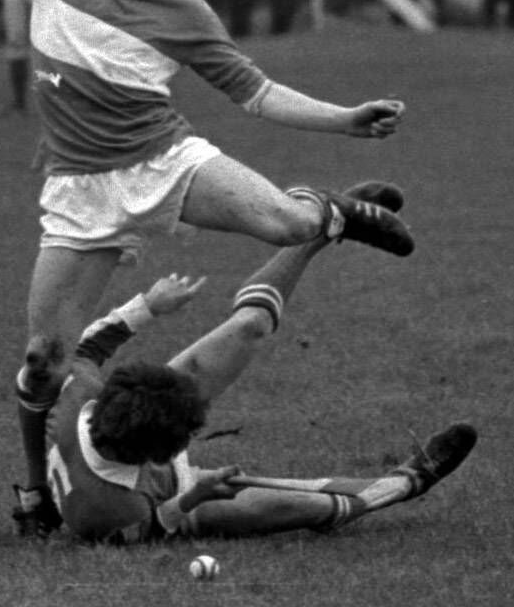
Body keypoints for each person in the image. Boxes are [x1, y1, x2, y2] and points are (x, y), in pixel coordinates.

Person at [0, 0, 412, 537]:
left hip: (163, 164)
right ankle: (32, 492)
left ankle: (328, 210)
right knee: (41, 362)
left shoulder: (187, 15)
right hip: (78, 193)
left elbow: (256, 94)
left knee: (288, 227)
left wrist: (346, 118)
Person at [46, 181, 476, 544]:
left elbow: (83, 348)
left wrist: (147, 307)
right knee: (307, 507)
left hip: (138, 434)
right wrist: (196, 496)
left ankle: (325, 221)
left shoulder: (79, 397)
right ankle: (406, 482)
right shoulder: (106, 511)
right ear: (159, 453)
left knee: (249, 326)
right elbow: (153, 528)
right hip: (175, 499)